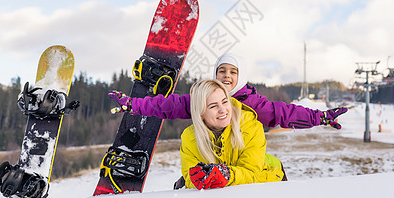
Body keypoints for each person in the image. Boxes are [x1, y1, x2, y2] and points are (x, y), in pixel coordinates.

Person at [109, 53, 348, 130]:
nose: (226, 76)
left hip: (240, 158)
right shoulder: (203, 96)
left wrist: (320, 117)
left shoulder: (251, 102)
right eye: (221, 71)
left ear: (240, 76)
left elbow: (284, 113)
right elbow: (167, 105)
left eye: (233, 72)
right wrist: (134, 104)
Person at [181, 79, 285, 189]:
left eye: (225, 101)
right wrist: (197, 178)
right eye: (213, 106)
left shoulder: (251, 126)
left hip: (268, 179)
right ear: (200, 113)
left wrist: (227, 175)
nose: (222, 110)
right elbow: (188, 177)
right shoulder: (190, 138)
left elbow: (251, 172)